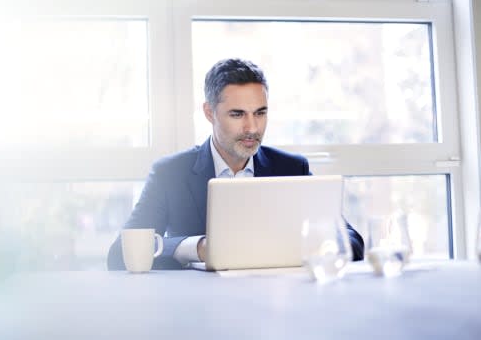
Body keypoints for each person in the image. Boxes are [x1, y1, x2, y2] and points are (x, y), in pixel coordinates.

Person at [107, 58, 364, 270]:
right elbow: (120, 253)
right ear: (210, 113)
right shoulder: (171, 173)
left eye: (260, 113)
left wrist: (306, 244)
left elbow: (351, 241)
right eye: (237, 114)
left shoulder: (291, 168)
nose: (252, 128)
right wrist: (197, 248)